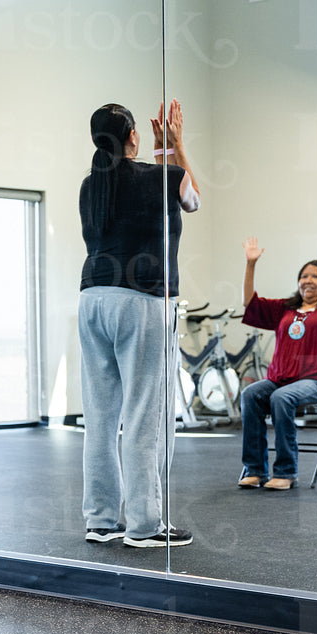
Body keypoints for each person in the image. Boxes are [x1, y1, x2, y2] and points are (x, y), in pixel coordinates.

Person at [79, 101, 201, 548]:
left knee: (101, 417)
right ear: (133, 136)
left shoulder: (90, 186)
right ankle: (146, 526)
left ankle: (100, 520)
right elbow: (192, 200)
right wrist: (174, 145)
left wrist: (159, 155)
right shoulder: (161, 176)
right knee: (145, 417)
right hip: (142, 301)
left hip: (92, 299)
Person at [237, 226, 317, 489]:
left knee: (281, 398)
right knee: (250, 394)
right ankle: (255, 470)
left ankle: (285, 472)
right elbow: (249, 303)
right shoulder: (286, 308)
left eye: (315, 277)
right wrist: (250, 264)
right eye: (303, 276)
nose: (307, 280)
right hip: (281, 379)